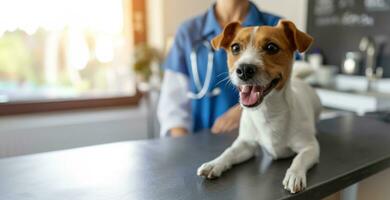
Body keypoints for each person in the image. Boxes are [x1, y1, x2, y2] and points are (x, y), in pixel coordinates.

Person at [157, 0, 281, 137]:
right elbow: (173, 104)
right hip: (200, 143)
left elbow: (296, 82)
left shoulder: (276, 27)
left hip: (263, 141)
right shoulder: (188, 32)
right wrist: (183, 146)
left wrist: (246, 110)